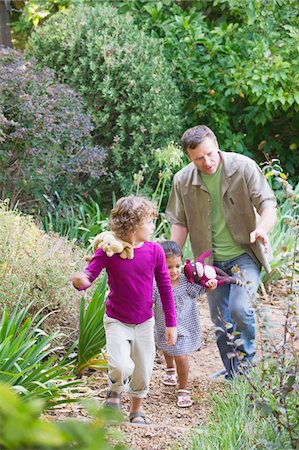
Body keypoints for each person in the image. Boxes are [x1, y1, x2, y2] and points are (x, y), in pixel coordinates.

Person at [166, 125, 277, 378]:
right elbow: (179, 222)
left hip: (244, 255)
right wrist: (173, 258)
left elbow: (268, 204)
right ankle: (232, 373)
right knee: (219, 320)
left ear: (217, 145)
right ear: (189, 158)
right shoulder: (182, 180)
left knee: (240, 308)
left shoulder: (243, 167)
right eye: (199, 158)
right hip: (210, 262)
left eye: (210, 154)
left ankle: (247, 368)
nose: (207, 162)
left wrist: (262, 229)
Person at [71, 196, 177, 425]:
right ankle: (115, 390)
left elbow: (165, 288)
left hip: (144, 321)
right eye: (149, 222)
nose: (152, 227)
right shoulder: (109, 251)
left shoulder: (155, 251)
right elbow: (89, 275)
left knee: (143, 370)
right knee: (121, 365)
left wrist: (170, 323)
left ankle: (136, 410)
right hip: (117, 320)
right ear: (134, 225)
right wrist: (80, 281)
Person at [154, 240, 217, 407]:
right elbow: (148, 299)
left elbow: (202, 290)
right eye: (168, 267)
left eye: (177, 266)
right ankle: (169, 368)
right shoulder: (156, 283)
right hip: (163, 324)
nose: (173, 271)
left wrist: (210, 286)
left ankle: (183, 389)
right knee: (166, 346)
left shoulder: (186, 282)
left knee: (181, 356)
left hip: (184, 326)